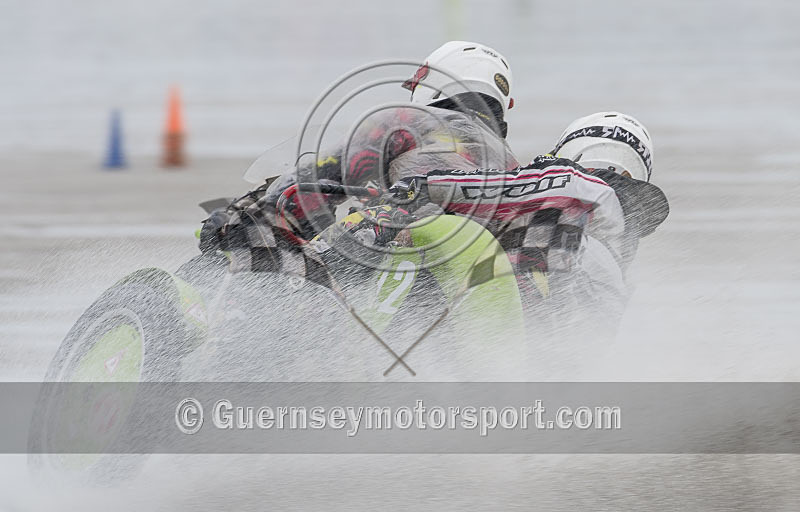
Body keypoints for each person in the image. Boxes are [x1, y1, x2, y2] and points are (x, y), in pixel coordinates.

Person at [200, 41, 520, 266]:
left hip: (405, 248)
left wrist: (240, 217)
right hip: (479, 279)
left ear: (429, 83)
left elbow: (311, 181)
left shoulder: (406, 121)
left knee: (262, 251)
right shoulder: (514, 167)